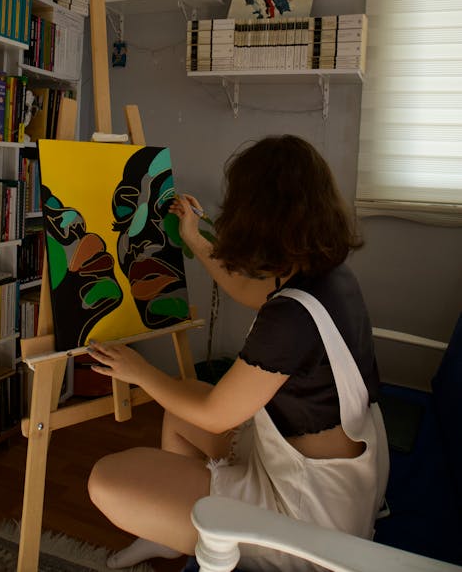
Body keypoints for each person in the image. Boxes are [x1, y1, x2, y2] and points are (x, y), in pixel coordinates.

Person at [87, 135, 389, 571]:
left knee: (106, 481)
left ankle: (206, 533)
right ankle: (170, 536)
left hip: (309, 515)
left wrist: (140, 371)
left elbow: (215, 414)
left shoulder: (291, 317)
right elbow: (248, 290)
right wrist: (192, 237)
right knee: (180, 409)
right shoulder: (326, 274)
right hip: (331, 476)